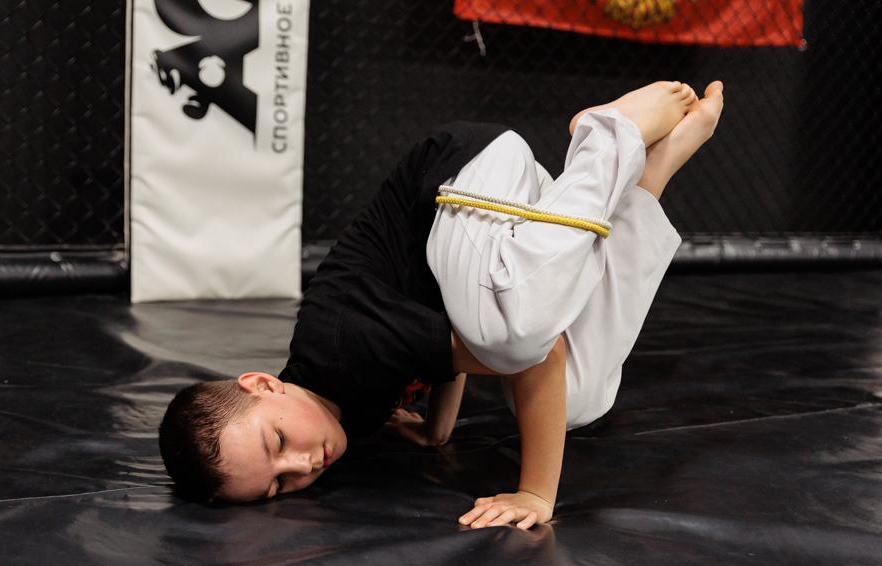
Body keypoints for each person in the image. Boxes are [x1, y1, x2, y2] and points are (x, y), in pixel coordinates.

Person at [159, 80, 726, 530]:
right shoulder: (339, 410)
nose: (302, 466)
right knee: (578, 399)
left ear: (263, 384)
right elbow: (441, 337)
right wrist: (436, 431)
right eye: (280, 485)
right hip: (497, 236)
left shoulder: (341, 346)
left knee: (513, 336)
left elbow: (536, 354)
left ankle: (609, 133)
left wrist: (535, 493)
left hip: (466, 175)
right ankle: (649, 176)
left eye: (278, 443)